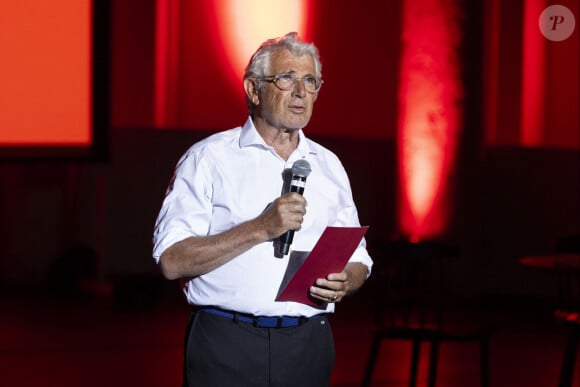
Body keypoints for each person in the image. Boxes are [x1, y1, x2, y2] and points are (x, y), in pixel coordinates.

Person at [152, 32, 373, 387]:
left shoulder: (329, 166)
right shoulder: (209, 159)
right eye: (286, 78)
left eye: (310, 80)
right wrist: (260, 227)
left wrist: (346, 280)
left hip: (308, 343)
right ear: (254, 90)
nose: (301, 91)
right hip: (227, 344)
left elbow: (359, 258)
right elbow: (171, 261)